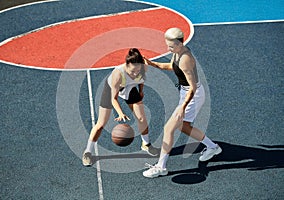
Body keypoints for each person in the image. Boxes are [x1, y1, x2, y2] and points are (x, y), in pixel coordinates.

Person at [143, 28, 222, 178]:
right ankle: (213, 147)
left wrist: (182, 108)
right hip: (186, 93)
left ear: (180, 44)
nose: (168, 49)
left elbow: (192, 88)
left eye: (171, 46)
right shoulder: (177, 52)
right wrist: (153, 64)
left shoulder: (185, 59)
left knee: (169, 129)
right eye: (168, 45)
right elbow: (173, 67)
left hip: (192, 95)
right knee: (184, 127)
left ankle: (161, 167)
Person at [82, 48, 159, 166]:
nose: (135, 74)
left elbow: (141, 80)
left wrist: (141, 91)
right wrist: (120, 113)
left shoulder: (143, 68)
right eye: (132, 71)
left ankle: (146, 144)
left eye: (137, 71)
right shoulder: (118, 74)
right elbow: (114, 98)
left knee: (142, 118)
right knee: (101, 124)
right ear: (126, 65)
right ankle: (87, 152)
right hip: (113, 90)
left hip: (130, 88)